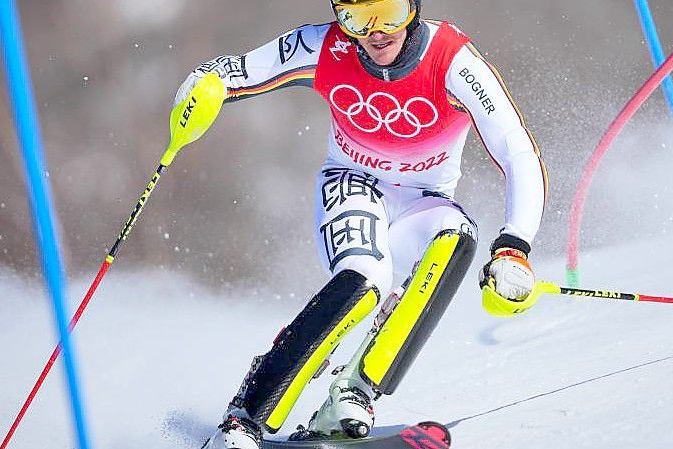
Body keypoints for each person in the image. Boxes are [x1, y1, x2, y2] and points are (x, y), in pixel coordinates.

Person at [174, 1, 547, 448]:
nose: (376, 32)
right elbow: (234, 70)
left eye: (389, 12)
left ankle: (353, 393)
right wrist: (202, 87)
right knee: (368, 280)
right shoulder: (325, 45)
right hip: (352, 185)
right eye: (357, 17)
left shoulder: (453, 60)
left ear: (412, 8)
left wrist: (514, 246)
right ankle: (246, 418)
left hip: (422, 202)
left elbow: (517, 150)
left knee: (457, 239)